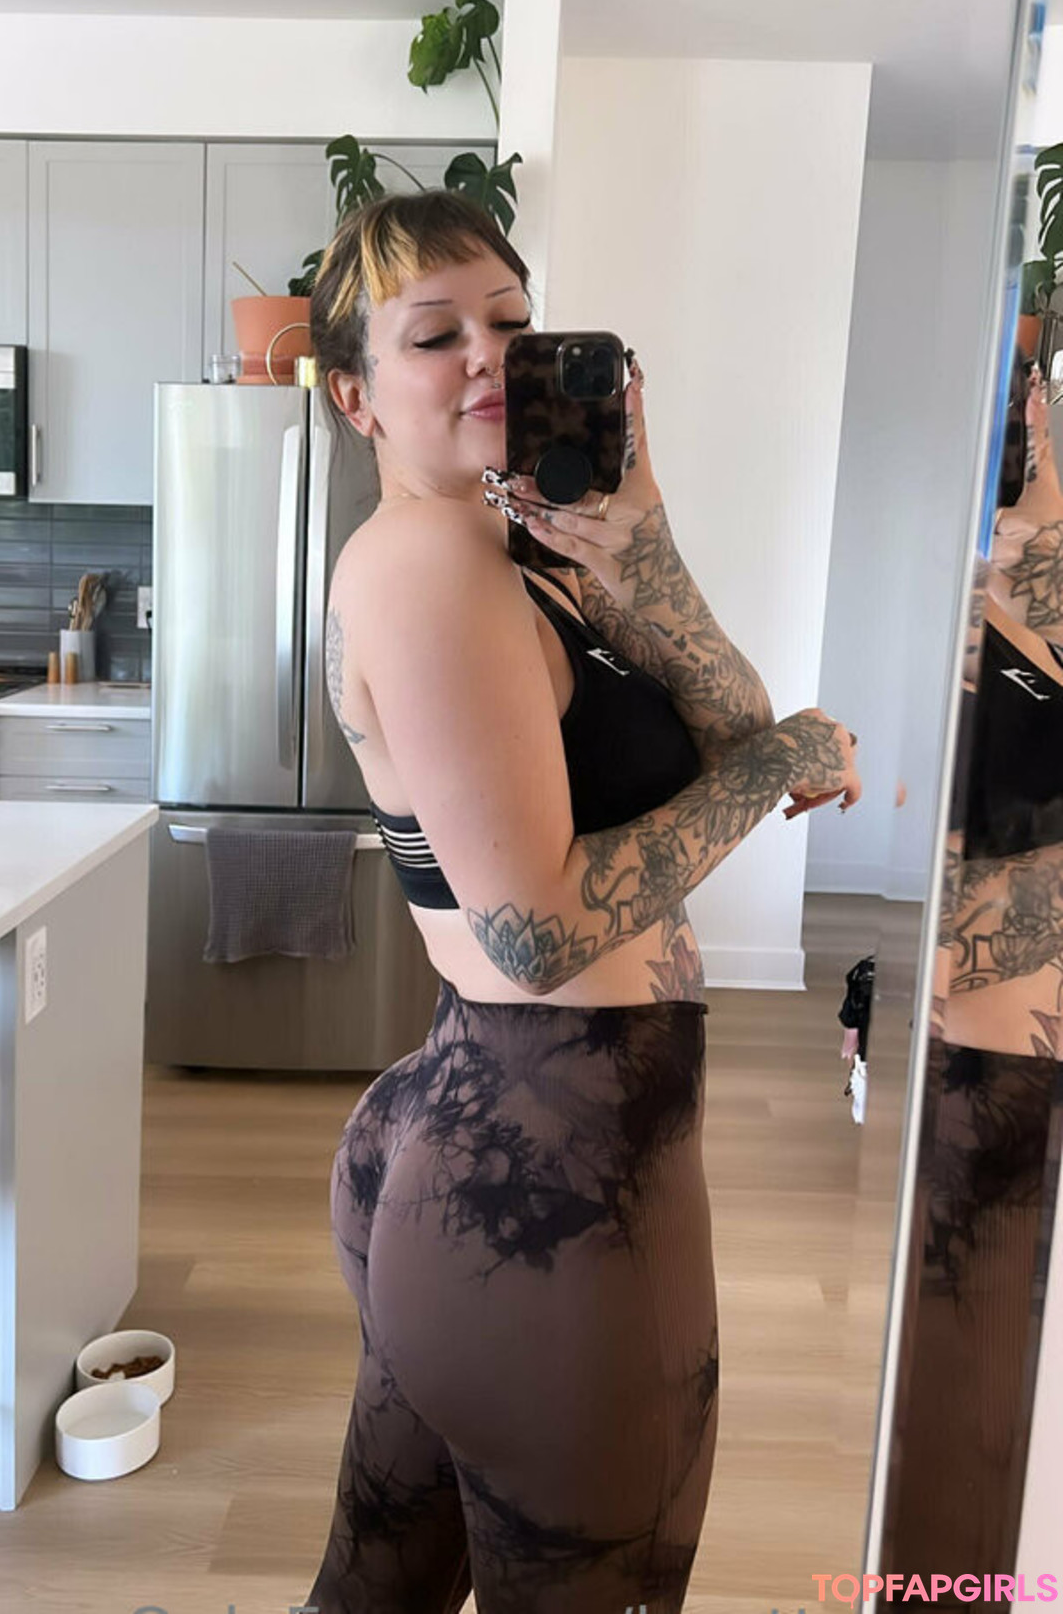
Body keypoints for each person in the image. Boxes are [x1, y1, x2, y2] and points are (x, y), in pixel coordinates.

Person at [303, 189, 860, 1614]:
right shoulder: (427, 567)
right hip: (547, 1183)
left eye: (511, 322)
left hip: (497, 1144)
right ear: (356, 396)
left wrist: (646, 547)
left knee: (372, 1598)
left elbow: (737, 732)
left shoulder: (518, 553)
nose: (489, 356)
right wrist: (784, 760)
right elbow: (538, 931)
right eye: (436, 336)